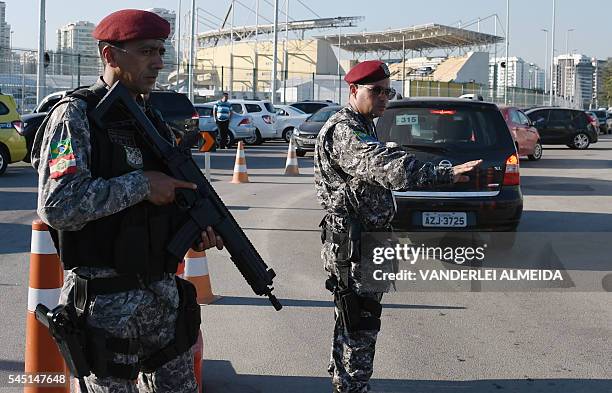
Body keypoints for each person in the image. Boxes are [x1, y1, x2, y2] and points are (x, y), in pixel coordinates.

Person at [32, 9, 223, 392]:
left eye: (161, 51)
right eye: (147, 51)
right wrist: (142, 185)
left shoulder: (151, 118)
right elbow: (57, 205)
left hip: (162, 299)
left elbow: (166, 199)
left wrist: (195, 228)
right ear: (110, 55)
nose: (158, 62)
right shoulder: (76, 116)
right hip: (107, 305)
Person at [314, 60, 482, 393]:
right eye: (375, 91)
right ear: (353, 90)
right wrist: (443, 173)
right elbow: (386, 165)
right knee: (360, 320)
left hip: (362, 241)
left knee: (351, 317)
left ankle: (345, 380)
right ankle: (352, 386)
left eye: (387, 91)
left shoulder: (362, 124)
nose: (383, 98)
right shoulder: (346, 130)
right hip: (354, 245)